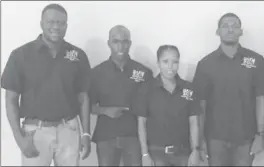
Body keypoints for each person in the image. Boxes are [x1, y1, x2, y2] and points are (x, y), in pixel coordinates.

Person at [1, 3, 91, 166]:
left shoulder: (78, 56)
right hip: (35, 132)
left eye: (61, 23)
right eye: (51, 22)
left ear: (66, 26)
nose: (56, 27)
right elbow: (11, 99)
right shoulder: (21, 55)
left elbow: (83, 97)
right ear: (41, 23)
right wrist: (19, 138)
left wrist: (86, 134)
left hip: (69, 130)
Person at [192, 13, 264, 166]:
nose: (230, 29)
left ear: (241, 31)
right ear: (217, 31)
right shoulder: (205, 64)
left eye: (235, 26)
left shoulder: (256, 60)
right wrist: (200, 141)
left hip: (246, 137)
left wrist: (261, 135)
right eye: (225, 26)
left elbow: (261, 98)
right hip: (215, 139)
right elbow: (200, 106)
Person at [89, 25, 153, 166]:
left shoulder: (144, 73)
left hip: (135, 136)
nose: (120, 46)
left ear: (129, 43)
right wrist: (105, 110)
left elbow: (152, 107)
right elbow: (87, 106)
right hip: (106, 135)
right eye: (116, 41)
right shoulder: (96, 73)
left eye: (124, 42)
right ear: (109, 43)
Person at [132, 45, 202, 166]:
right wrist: (144, 154)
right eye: (165, 61)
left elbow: (194, 122)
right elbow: (141, 123)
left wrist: (195, 150)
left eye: (175, 62)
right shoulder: (146, 89)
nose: (170, 66)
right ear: (158, 63)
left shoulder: (188, 89)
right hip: (156, 154)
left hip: (183, 153)